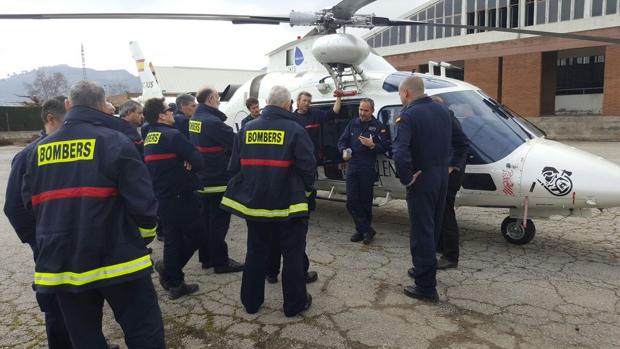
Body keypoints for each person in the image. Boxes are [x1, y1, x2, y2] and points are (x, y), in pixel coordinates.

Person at [21, 81, 165, 347]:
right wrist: (142, 238)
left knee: (84, 338)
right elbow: (144, 205)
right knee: (143, 330)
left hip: (62, 265)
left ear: (68, 105)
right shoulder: (117, 141)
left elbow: (29, 205)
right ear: (103, 105)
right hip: (119, 259)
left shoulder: (37, 151)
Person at [221, 85, 315, 317]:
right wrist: (304, 191)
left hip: (256, 206)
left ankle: (251, 303)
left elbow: (234, 167)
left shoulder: (247, 129)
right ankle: (294, 305)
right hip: (289, 206)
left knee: (255, 253)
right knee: (292, 255)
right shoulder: (295, 129)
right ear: (286, 104)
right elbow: (308, 169)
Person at [4, 97, 73, 349]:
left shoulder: (73, 148)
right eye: (68, 120)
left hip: (77, 242)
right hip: (49, 245)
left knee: (80, 300)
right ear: (50, 119)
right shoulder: (28, 155)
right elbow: (13, 207)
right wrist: (39, 240)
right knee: (56, 302)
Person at [392, 76, 452, 303]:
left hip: (421, 179)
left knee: (421, 232)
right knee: (433, 228)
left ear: (406, 93)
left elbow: (400, 152)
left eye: (400, 95)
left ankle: (426, 287)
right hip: (440, 177)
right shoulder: (443, 111)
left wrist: (407, 178)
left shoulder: (408, 115)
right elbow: (455, 142)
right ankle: (424, 269)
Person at [142, 98, 206, 299]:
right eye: (169, 110)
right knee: (197, 235)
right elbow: (198, 161)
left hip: (162, 196)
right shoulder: (172, 135)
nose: (172, 113)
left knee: (172, 239)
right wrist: (189, 163)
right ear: (161, 115)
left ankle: (175, 283)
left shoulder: (150, 136)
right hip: (181, 194)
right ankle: (171, 272)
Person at [190, 87, 244, 273]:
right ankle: (221, 262)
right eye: (218, 98)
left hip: (202, 177)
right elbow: (237, 143)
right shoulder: (213, 122)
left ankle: (206, 258)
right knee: (219, 223)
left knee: (206, 221)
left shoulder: (195, 119)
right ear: (211, 99)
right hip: (217, 179)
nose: (219, 101)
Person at [337, 98, 390, 245]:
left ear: (372, 111)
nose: (362, 112)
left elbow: (386, 146)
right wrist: (343, 151)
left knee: (365, 202)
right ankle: (367, 230)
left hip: (367, 168)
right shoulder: (352, 124)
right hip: (352, 166)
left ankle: (361, 231)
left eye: (365, 110)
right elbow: (342, 141)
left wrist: (373, 145)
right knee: (351, 201)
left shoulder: (378, 126)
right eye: (360, 109)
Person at [431, 96, 469, 270]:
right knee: (439, 210)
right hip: (443, 171)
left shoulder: (449, 120)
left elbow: (461, 144)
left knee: (446, 213)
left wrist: (452, 165)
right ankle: (440, 246)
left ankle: (451, 256)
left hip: (451, 173)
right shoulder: (443, 119)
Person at [293, 90, 342, 161]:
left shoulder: (315, 114)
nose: (307, 103)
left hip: (314, 157)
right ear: (298, 101)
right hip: (298, 158)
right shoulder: (292, 119)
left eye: (309, 101)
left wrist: (339, 97)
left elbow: (333, 113)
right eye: (304, 100)